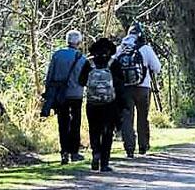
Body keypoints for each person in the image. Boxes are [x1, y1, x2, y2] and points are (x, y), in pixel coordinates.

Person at [115, 22, 161, 157]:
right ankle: (143, 146)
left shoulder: (120, 49)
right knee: (142, 117)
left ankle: (129, 148)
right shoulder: (145, 48)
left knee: (127, 118)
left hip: (125, 89)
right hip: (143, 88)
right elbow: (157, 68)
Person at [45, 29, 89, 164]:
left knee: (63, 122)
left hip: (60, 95)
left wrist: (48, 92)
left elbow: (50, 75)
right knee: (75, 122)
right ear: (79, 42)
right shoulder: (82, 59)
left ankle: (64, 151)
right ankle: (74, 152)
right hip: (76, 94)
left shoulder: (57, 55)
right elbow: (85, 80)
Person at [79, 37, 123, 173]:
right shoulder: (113, 63)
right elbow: (121, 83)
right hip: (110, 103)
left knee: (94, 130)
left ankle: (95, 153)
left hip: (92, 103)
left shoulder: (89, 63)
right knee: (107, 132)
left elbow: (81, 81)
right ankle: (104, 163)